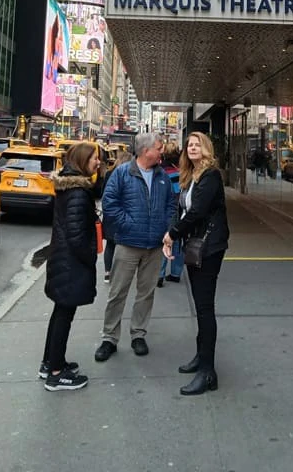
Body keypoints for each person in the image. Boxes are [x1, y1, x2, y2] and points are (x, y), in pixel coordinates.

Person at [94, 133, 175, 362]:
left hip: (154, 246)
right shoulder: (122, 173)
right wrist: (128, 225)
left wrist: (167, 228)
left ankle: (138, 334)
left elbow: (171, 204)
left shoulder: (162, 176)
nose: (162, 151)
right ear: (145, 150)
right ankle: (109, 338)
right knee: (118, 292)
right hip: (128, 244)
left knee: (146, 293)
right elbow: (109, 203)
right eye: (159, 148)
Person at [163, 132, 229, 396]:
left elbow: (198, 211)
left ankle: (207, 372)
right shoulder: (190, 177)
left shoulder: (210, 175)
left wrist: (171, 235)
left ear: (206, 149)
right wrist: (172, 234)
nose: (192, 148)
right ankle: (201, 359)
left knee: (204, 308)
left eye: (197, 144)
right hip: (194, 247)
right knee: (201, 305)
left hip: (209, 249)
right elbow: (181, 210)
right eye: (189, 145)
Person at [40, 142, 101, 391]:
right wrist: (90, 256)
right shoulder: (77, 191)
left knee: (60, 313)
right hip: (71, 263)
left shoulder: (71, 186)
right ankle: (56, 374)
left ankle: (51, 363)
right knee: (64, 314)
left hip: (63, 261)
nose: (98, 162)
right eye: (95, 158)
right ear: (83, 160)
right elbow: (77, 235)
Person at [101, 149, 132, 284]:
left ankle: (107, 272)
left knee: (110, 244)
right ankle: (121, 274)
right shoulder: (130, 174)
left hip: (110, 214)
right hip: (125, 213)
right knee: (123, 245)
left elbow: (104, 193)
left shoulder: (109, 173)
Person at [157, 142, 183, 287]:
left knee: (165, 239)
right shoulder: (182, 169)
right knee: (178, 240)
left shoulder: (161, 170)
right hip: (180, 209)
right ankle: (175, 273)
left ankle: (159, 274)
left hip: (165, 209)